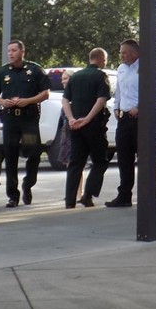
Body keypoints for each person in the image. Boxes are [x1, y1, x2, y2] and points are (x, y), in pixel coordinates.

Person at [0, 39, 50, 208]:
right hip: (10, 121)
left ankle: (28, 184)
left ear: (22, 52)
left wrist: (28, 101)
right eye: (9, 51)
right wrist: (2, 101)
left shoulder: (34, 70)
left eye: (14, 50)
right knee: (11, 155)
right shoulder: (2, 72)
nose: (11, 53)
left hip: (28, 120)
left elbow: (45, 93)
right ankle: (12, 196)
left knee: (33, 153)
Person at [106, 39, 156, 207]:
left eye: (124, 52)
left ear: (134, 53)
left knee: (145, 158)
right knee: (124, 158)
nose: (121, 55)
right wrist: (116, 108)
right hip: (124, 120)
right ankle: (124, 196)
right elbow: (118, 92)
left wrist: (140, 107)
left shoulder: (147, 68)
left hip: (140, 119)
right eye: (120, 52)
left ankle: (149, 194)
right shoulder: (121, 69)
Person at [62, 48, 112, 209]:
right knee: (100, 161)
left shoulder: (75, 76)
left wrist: (71, 119)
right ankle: (87, 195)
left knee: (76, 163)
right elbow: (101, 99)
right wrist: (88, 119)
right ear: (102, 60)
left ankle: (70, 201)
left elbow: (64, 100)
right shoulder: (100, 76)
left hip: (75, 126)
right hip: (93, 126)